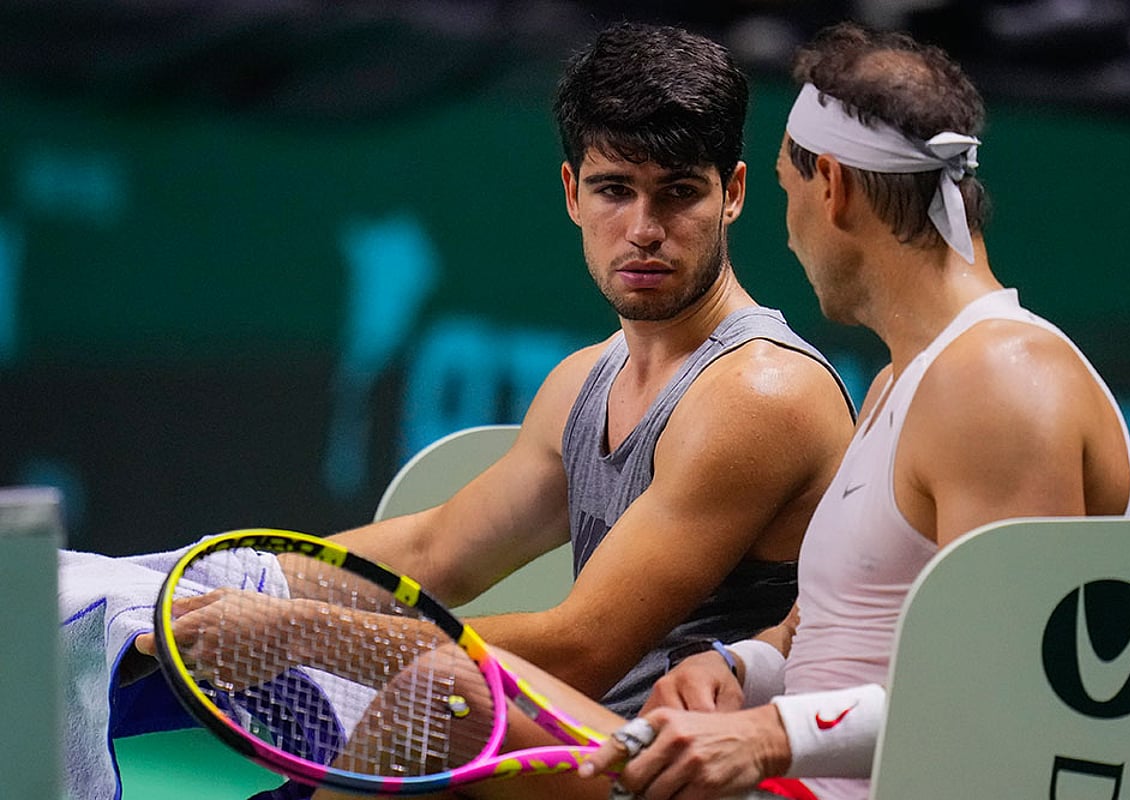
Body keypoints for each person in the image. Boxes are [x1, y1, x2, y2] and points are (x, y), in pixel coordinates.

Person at [369, 19, 1130, 800]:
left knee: (447, 697)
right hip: (793, 772)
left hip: (822, 786)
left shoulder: (998, 381)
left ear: (830, 186)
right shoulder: (905, 385)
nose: (789, 229)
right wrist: (746, 664)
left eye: (783, 188)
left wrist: (771, 734)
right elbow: (846, 628)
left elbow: (1018, 691)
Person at [132, 16, 852, 737]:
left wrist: (297, 632)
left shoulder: (760, 393)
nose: (643, 228)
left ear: (732, 194)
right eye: (614, 191)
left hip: (681, 769)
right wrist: (185, 583)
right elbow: (432, 554)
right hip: (584, 751)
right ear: (572, 193)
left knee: (448, 690)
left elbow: (582, 650)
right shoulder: (583, 381)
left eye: (677, 193)